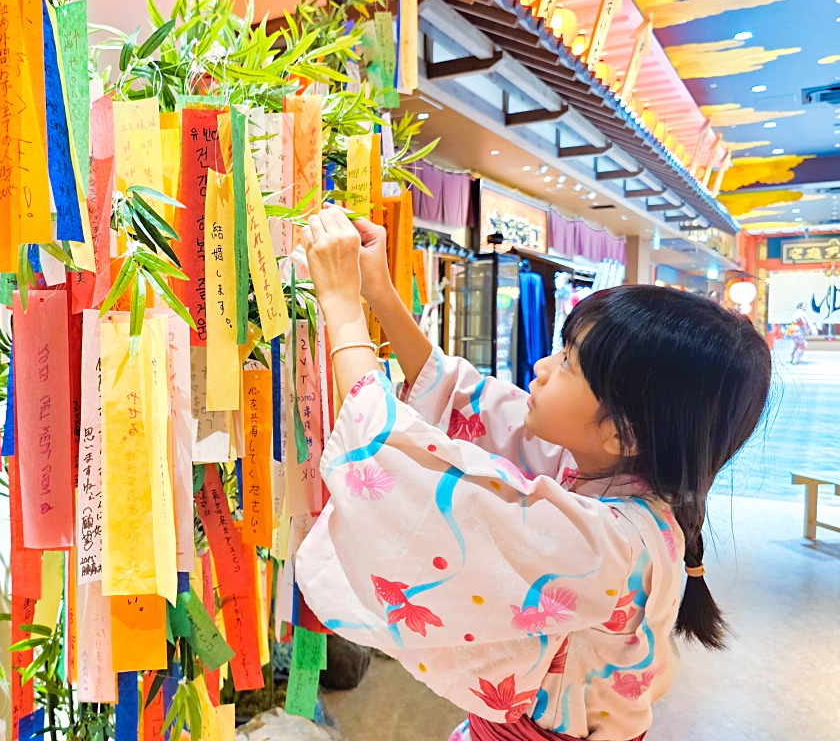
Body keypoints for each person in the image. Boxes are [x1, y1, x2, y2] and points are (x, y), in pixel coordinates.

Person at [296, 207, 772, 741]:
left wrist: (340, 306)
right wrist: (378, 291)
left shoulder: (605, 543)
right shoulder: (617, 484)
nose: (542, 368)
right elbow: (470, 401)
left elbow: (398, 464)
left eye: (567, 361)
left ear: (623, 432)